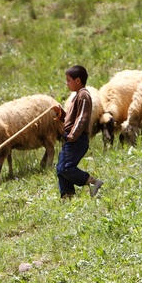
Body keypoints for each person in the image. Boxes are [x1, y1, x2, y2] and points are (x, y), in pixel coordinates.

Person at [54, 65, 104, 199]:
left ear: (78, 80)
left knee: (65, 167)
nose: (67, 83)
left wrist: (73, 135)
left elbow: (83, 117)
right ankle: (67, 195)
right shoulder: (77, 96)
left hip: (77, 138)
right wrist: (62, 114)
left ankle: (92, 182)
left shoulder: (83, 95)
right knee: (60, 168)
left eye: (68, 80)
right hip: (73, 137)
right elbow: (74, 118)